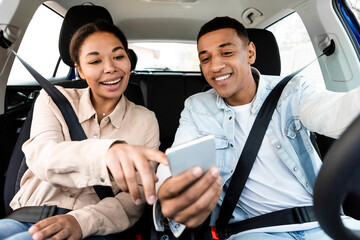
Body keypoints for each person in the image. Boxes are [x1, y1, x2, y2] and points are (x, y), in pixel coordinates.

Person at [154, 16, 360, 239]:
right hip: (254, 230)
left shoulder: (293, 91)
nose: (215, 66)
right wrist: (167, 190)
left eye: (227, 52)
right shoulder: (197, 108)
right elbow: (179, 161)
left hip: (323, 221)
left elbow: (336, 112)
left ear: (250, 53)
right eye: (205, 59)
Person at [0, 20, 168, 240]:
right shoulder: (53, 99)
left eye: (118, 57)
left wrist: (83, 221)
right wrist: (105, 154)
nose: (110, 68)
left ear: (129, 60)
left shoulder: (145, 120)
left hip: (91, 229)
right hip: (25, 215)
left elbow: (133, 200)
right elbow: (43, 156)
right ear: (79, 69)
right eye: (95, 61)